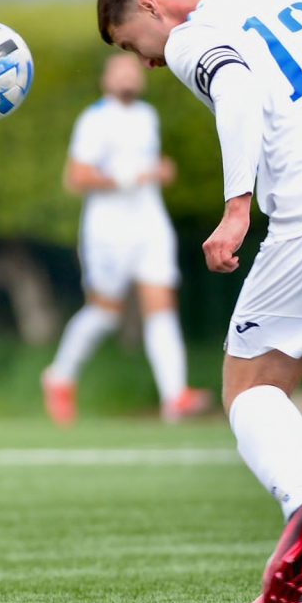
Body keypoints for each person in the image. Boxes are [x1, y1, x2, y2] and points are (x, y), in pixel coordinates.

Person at [97, 0, 302, 603]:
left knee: (251, 386)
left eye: (132, 44)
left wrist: (238, 207)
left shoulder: (192, 33)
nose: (148, 62)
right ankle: (300, 588)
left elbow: (234, 85)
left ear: (151, 7)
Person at [42, 53, 210, 426]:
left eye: (132, 70)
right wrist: (130, 178)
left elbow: (148, 167)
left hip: (150, 223)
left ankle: (175, 397)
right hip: (108, 229)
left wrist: (161, 171)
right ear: (106, 80)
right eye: (119, 71)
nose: (128, 77)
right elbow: (76, 177)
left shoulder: (147, 116)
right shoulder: (95, 119)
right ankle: (59, 376)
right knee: (105, 313)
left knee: (162, 306)